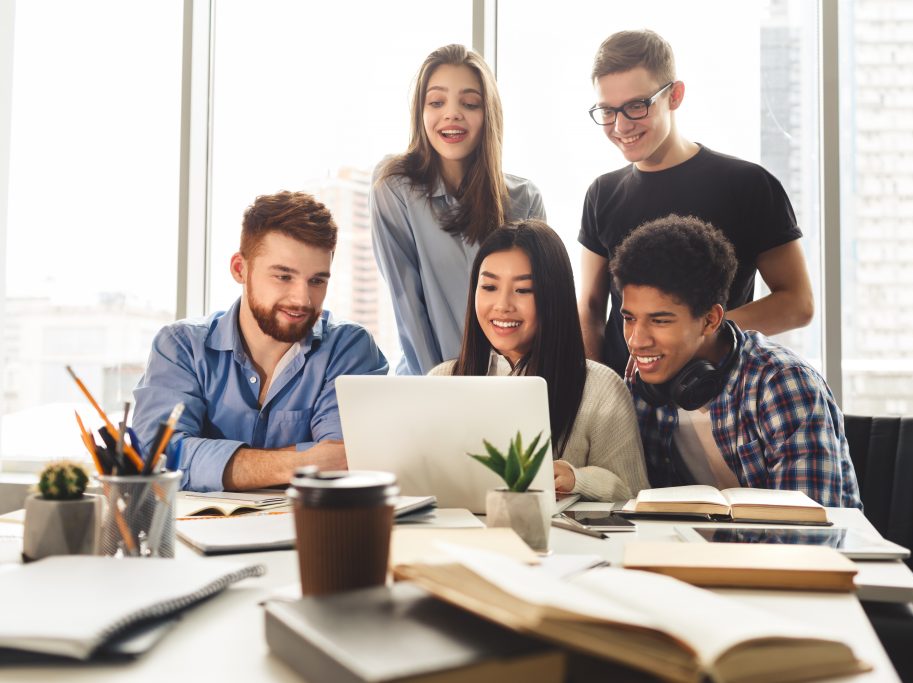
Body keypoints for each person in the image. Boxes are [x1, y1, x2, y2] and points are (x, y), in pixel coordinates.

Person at [579, 29, 814, 376]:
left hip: (720, 393)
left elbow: (798, 303)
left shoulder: (748, 185)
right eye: (607, 111)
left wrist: (697, 335)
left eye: (636, 106)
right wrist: (598, 391)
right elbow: (591, 306)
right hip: (630, 401)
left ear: (674, 96)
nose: (621, 125)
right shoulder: (602, 193)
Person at [133, 191, 388, 492]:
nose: (302, 299)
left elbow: (346, 463)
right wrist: (303, 462)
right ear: (240, 269)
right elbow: (156, 459)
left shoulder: (349, 348)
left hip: (307, 530)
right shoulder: (180, 347)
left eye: (317, 281)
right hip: (195, 532)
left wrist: (207, 457)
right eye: (284, 277)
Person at [610, 213, 860, 508]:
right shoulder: (642, 385)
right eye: (629, 318)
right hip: (692, 550)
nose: (637, 340)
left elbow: (807, 528)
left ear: (710, 320)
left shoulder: (782, 382)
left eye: (660, 321)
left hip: (795, 551)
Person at [430, 219, 648, 502]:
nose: (502, 305)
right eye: (489, 287)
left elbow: (635, 495)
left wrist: (576, 479)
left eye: (523, 290)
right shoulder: (442, 380)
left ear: (553, 296)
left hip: (565, 544)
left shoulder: (600, 387)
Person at [371, 44, 546, 376]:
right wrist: (442, 392)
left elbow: (537, 308)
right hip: (430, 382)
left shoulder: (525, 199)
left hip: (510, 384)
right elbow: (408, 306)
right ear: (420, 113)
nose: (451, 114)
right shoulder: (394, 188)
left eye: (469, 103)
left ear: (488, 114)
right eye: (436, 102)